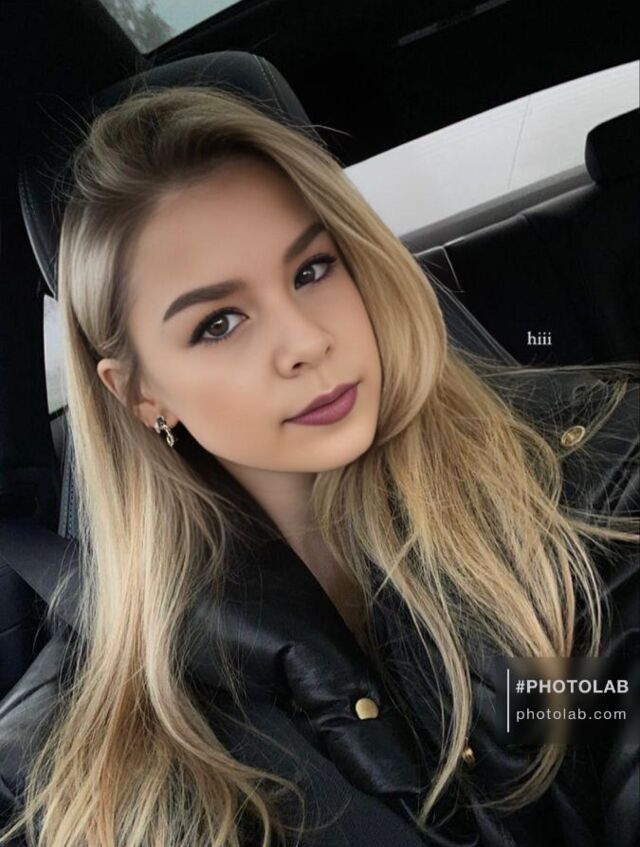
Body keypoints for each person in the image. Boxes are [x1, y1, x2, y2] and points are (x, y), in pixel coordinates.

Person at [0, 84, 637, 847]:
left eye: (311, 270)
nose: (306, 339)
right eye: (219, 322)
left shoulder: (595, 492)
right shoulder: (87, 758)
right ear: (141, 393)